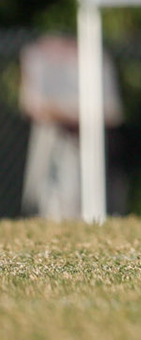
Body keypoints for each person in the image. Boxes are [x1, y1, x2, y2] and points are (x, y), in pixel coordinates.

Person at [19, 34, 124, 220]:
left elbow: (111, 112)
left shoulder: (96, 60)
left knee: (76, 194)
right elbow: (35, 107)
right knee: (47, 193)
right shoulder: (41, 59)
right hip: (53, 139)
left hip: (82, 141)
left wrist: (66, 114)